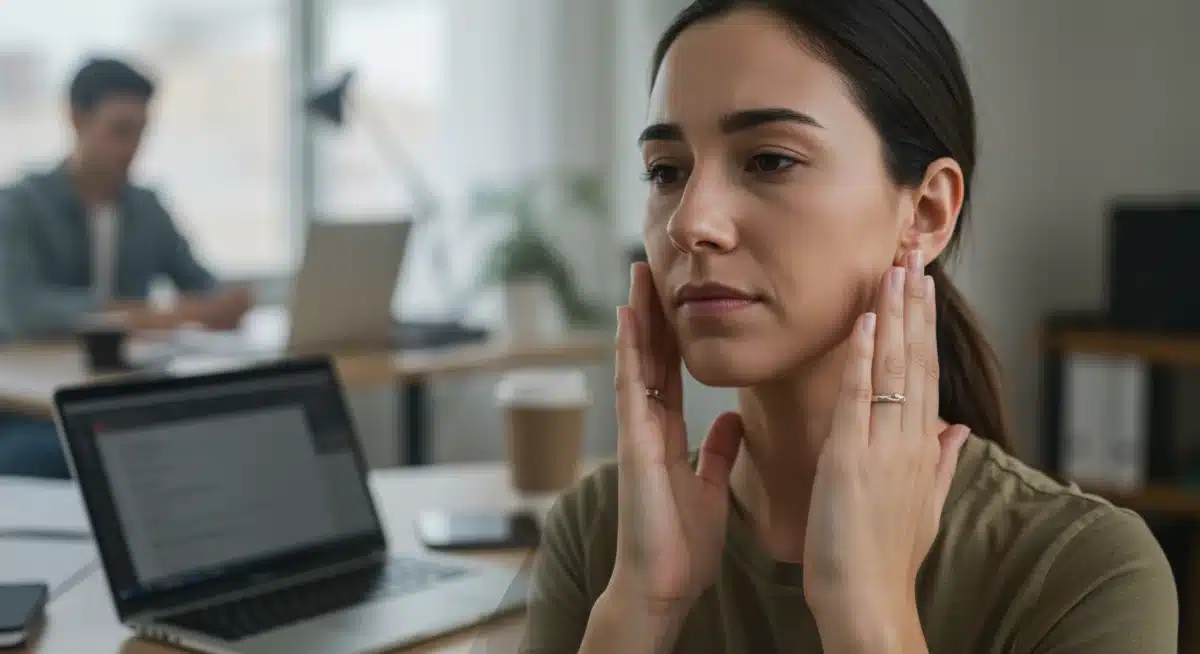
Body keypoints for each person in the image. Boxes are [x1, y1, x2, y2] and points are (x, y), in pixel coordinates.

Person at [520, 1, 1177, 653]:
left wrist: (867, 613)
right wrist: (640, 610)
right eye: (667, 170)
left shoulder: (1082, 573)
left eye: (770, 160)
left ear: (923, 211)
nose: (690, 223)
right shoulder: (600, 533)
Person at [0, 57, 252, 478]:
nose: (132, 147)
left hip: (123, 398)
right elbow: (24, 311)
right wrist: (141, 315)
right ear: (77, 119)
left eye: (141, 132)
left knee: (231, 434)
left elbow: (200, 284)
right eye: (119, 130)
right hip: (34, 407)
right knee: (64, 456)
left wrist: (225, 303)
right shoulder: (19, 205)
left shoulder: (146, 207)